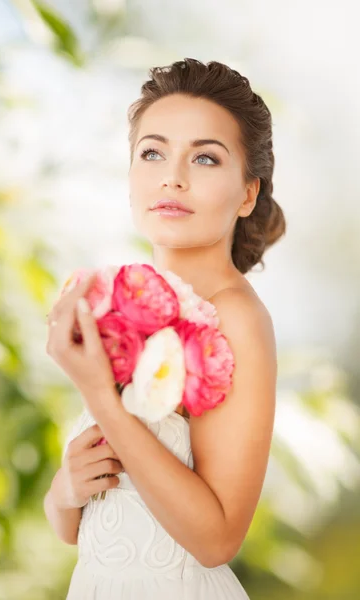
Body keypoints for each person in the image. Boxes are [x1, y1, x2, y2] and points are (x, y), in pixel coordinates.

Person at [43, 57, 286, 599]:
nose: (172, 176)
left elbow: (217, 540)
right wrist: (63, 492)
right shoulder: (119, 305)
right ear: (130, 175)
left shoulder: (237, 317)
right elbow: (85, 526)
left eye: (205, 157)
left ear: (248, 194)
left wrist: (99, 394)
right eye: (152, 152)